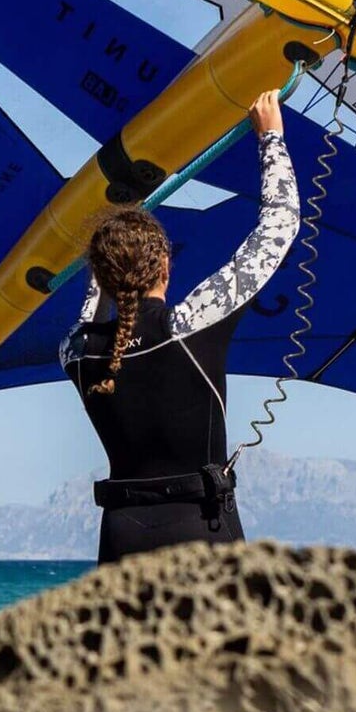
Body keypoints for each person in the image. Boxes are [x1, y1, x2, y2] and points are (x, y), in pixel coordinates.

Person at [61, 90, 299, 565]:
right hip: (201, 534)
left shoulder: (77, 352)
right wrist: (270, 137)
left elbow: (92, 307)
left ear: (101, 274)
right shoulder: (188, 325)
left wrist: (105, 253)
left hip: (121, 541)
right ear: (166, 266)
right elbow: (279, 227)